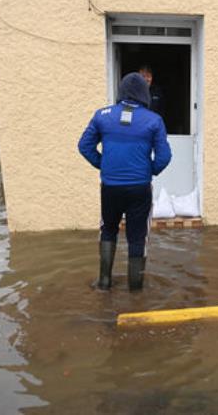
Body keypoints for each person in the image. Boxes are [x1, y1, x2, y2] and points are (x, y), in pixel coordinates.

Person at [78, 72, 172, 291]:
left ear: (121, 92)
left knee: (108, 230)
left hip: (110, 188)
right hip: (140, 188)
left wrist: (103, 165)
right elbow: (164, 157)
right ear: (144, 94)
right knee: (137, 237)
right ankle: (136, 290)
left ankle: (103, 282)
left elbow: (84, 146)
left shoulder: (102, 115)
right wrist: (149, 171)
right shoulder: (153, 120)